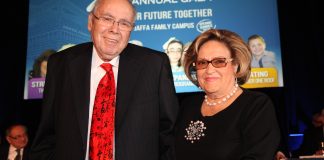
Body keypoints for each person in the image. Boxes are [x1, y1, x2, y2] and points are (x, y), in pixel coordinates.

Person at [29, 0, 179, 160]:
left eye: (124, 23)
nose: (115, 29)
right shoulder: (60, 64)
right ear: (90, 22)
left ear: (132, 29)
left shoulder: (155, 64)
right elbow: (46, 134)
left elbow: (170, 133)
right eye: (107, 19)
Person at [175, 29, 280, 159]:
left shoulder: (256, 106)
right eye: (202, 62)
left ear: (236, 65)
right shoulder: (188, 105)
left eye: (219, 61)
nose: (209, 70)